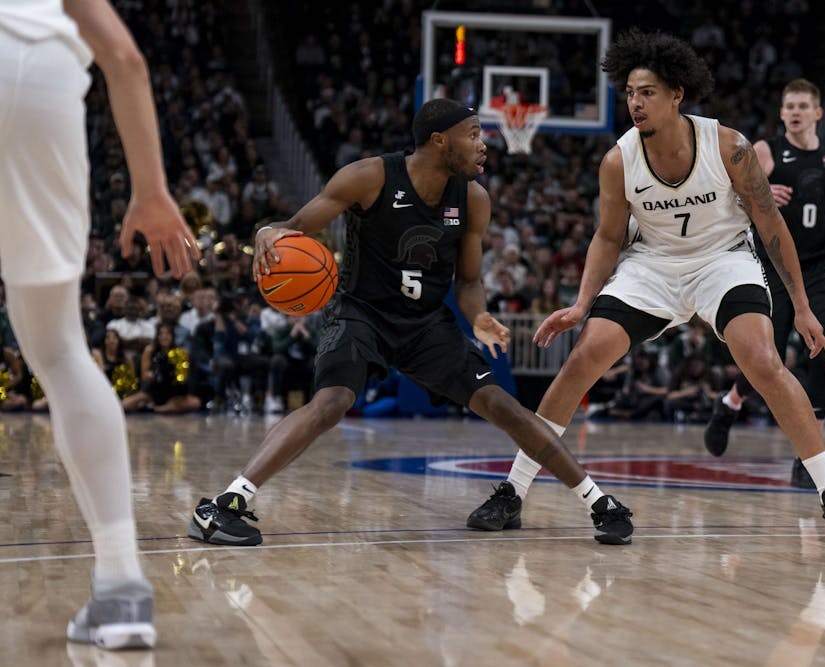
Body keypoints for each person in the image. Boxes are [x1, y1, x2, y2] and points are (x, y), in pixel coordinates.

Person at [467, 31, 825, 542]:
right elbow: (608, 237)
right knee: (582, 357)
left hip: (723, 260)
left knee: (764, 361)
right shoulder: (618, 160)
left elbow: (772, 227)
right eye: (630, 92)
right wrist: (581, 304)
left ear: (677, 94)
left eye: (647, 92)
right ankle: (513, 492)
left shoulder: (729, 147)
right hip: (651, 266)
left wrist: (804, 307)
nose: (635, 102)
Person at [187, 98, 634, 548]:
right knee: (332, 402)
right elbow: (296, 226)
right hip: (361, 313)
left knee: (502, 405)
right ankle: (223, 505)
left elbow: (471, 279)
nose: (483, 146)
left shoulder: (473, 199)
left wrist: (478, 315)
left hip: (425, 324)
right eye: (474, 134)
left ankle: (599, 503)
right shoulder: (370, 177)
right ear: (440, 141)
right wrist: (270, 230)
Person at [0, 0, 198, 649]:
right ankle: (120, 588)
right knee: (58, 352)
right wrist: (150, 190)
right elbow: (125, 57)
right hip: (43, 77)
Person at [703, 78, 825, 489]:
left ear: (817, 113)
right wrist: (757, 196)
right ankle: (731, 403)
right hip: (770, 265)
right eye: (788, 106)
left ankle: (807, 453)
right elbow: (728, 199)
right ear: (781, 114)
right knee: (767, 356)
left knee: (821, 350)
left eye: (802, 106)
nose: (795, 112)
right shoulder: (764, 152)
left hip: (820, 267)